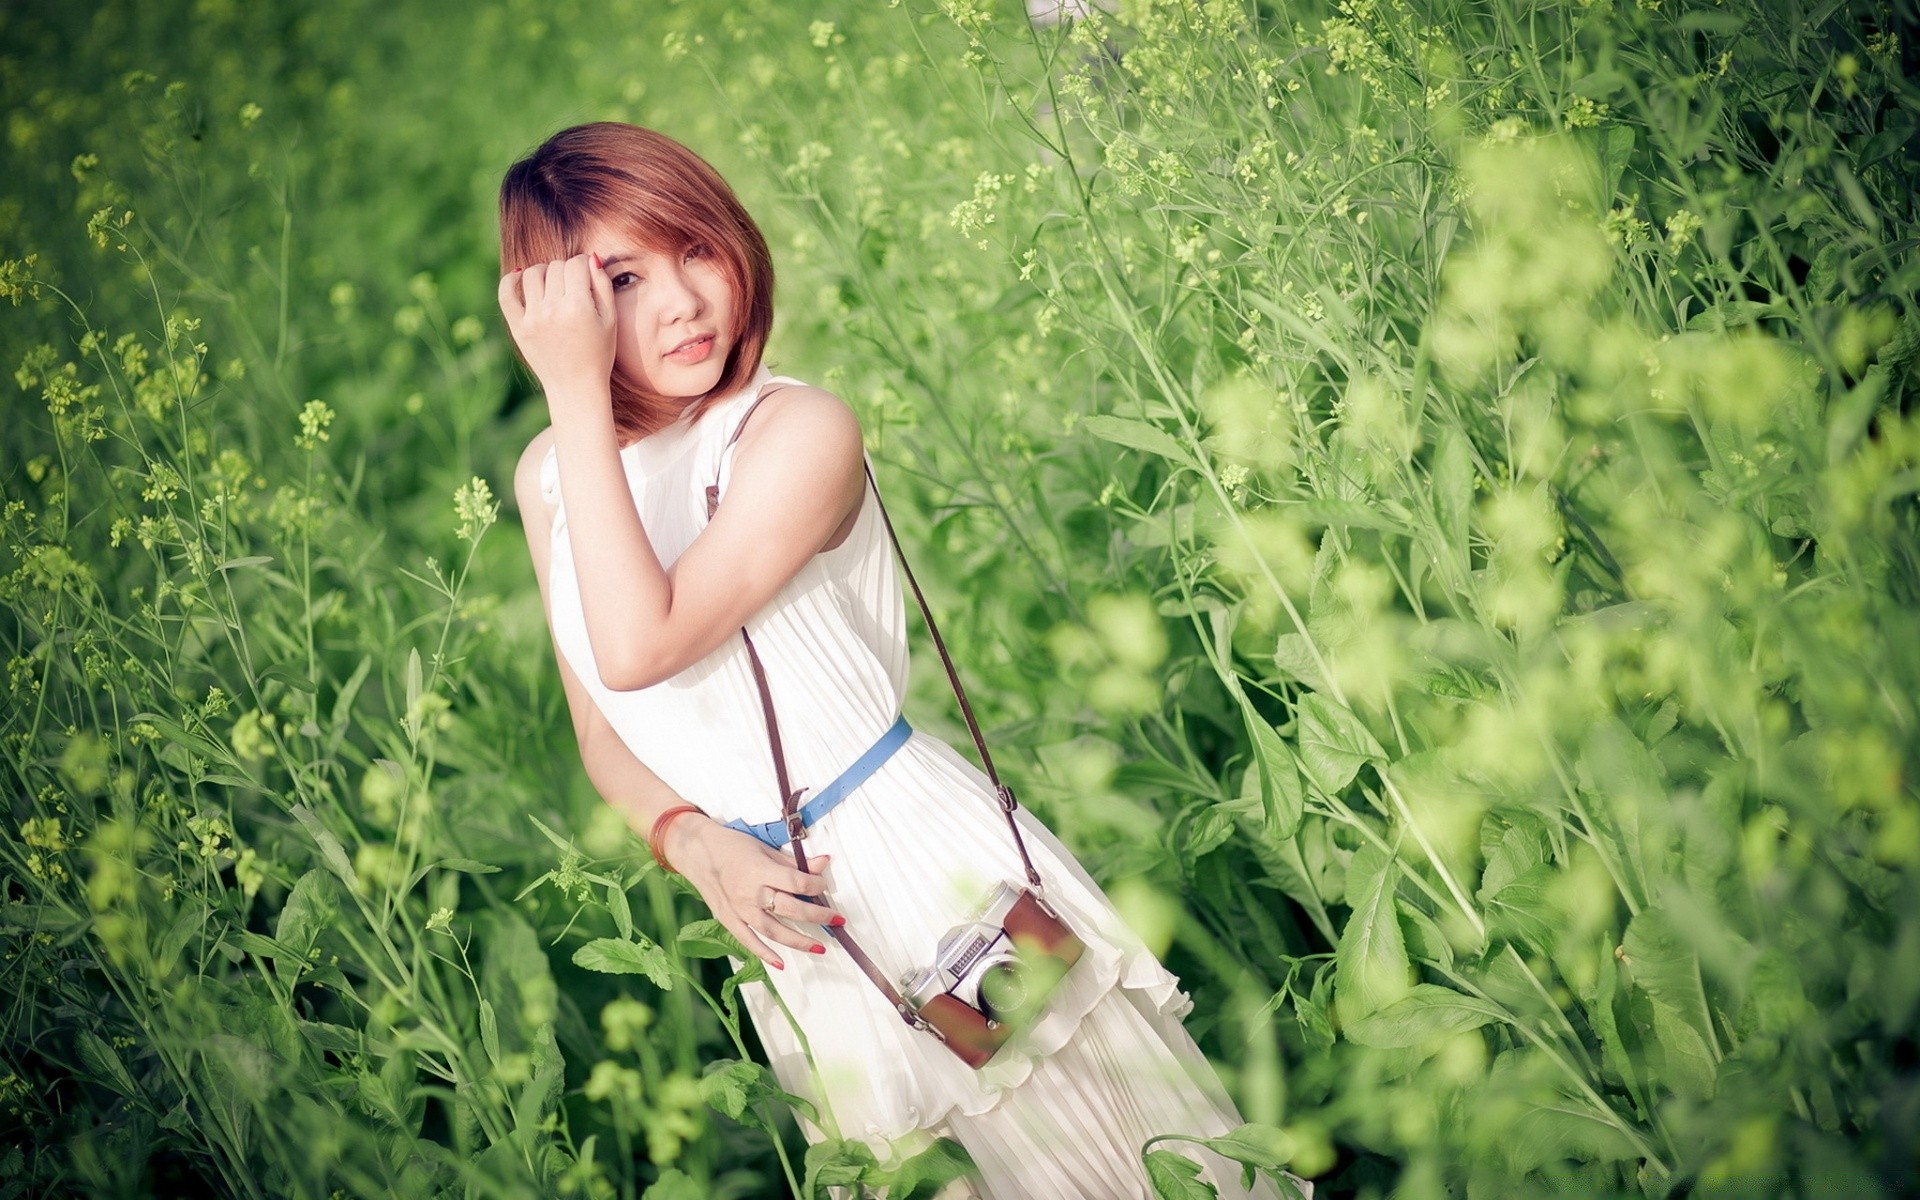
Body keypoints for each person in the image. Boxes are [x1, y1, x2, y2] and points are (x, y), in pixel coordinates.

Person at [498, 121, 1306, 1200]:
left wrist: (569, 391)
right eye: (624, 278)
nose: (683, 302)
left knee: (1116, 1175)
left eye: (696, 249)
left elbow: (640, 645)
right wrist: (692, 843)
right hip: (782, 918)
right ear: (553, 303)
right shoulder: (553, 475)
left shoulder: (794, 431)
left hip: (921, 869)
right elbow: (602, 728)